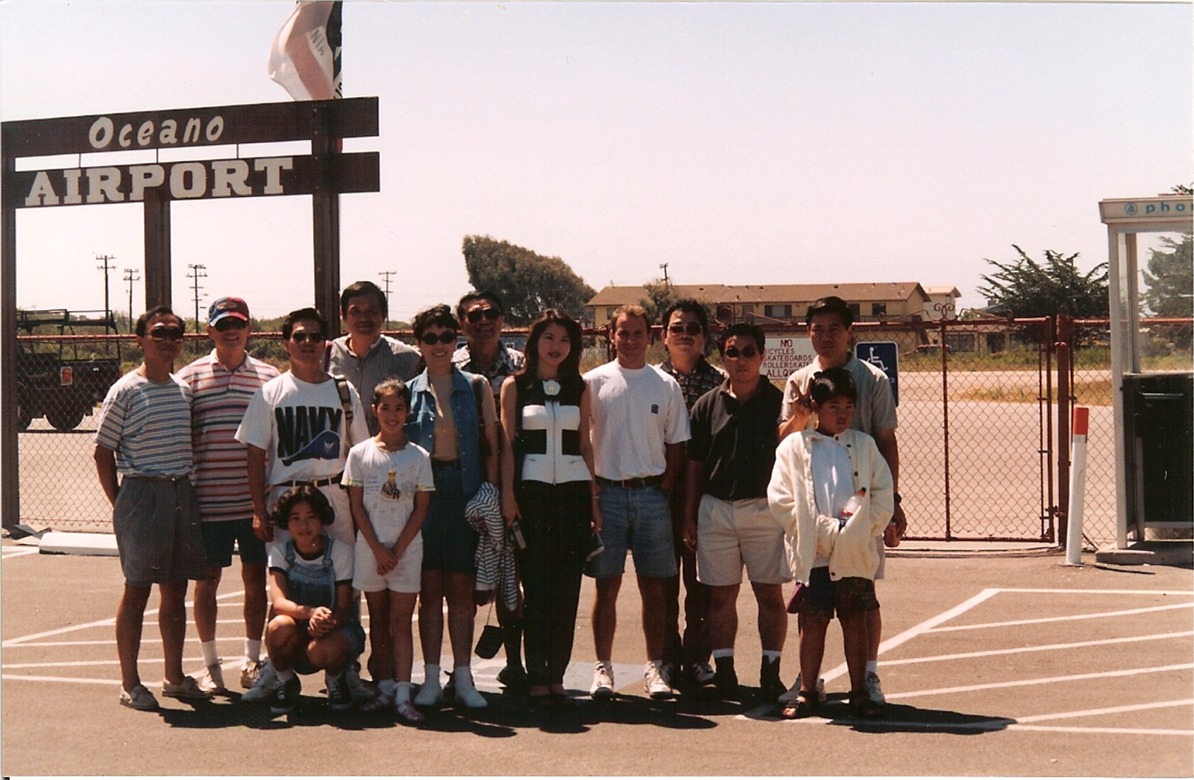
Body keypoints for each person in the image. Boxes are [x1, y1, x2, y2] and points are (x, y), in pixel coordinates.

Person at [776, 295, 907, 706]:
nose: (825, 336)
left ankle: (866, 676)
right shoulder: (799, 379)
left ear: (850, 332)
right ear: (808, 332)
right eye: (817, 328)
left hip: (859, 511)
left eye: (835, 328)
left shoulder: (873, 379)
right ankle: (808, 681)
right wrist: (800, 415)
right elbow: (786, 439)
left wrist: (892, 506)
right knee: (812, 608)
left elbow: (885, 440)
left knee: (862, 599)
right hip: (814, 518)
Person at [235, 306, 369, 703]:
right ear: (286, 342)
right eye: (300, 336)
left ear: (326, 343)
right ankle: (277, 673)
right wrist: (260, 510)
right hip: (287, 498)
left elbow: (360, 454)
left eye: (315, 336)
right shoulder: (271, 392)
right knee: (282, 581)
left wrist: (361, 512)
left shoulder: (343, 391)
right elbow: (254, 455)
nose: (308, 343)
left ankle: (345, 672)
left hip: (334, 494)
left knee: (347, 583)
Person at [93, 305, 209, 710]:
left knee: (175, 590)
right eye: (158, 333)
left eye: (175, 334)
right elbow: (103, 452)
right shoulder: (124, 390)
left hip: (181, 493)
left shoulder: (183, 390)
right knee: (137, 589)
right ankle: (130, 683)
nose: (167, 341)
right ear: (140, 340)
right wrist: (123, 503)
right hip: (142, 495)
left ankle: (173, 676)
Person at [768, 367, 893, 719]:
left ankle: (858, 692)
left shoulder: (864, 446)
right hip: (813, 553)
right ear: (817, 406)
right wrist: (818, 531)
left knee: (855, 620)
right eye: (834, 405)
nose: (843, 413)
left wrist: (862, 528)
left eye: (849, 406)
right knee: (813, 621)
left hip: (854, 551)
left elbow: (879, 494)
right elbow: (781, 499)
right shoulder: (795, 447)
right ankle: (808, 690)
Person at [584, 304, 690, 701]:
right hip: (606, 495)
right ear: (611, 336)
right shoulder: (593, 382)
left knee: (655, 590)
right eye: (622, 333)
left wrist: (663, 488)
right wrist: (593, 494)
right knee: (606, 588)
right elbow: (582, 441)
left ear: (651, 336)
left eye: (637, 333)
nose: (629, 340)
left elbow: (677, 443)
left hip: (651, 498)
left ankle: (654, 668)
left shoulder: (665, 385)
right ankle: (603, 669)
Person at [176, 297, 280, 695]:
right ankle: (210, 666)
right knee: (207, 583)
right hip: (208, 502)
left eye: (238, 324)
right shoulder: (189, 377)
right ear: (210, 332)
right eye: (223, 325)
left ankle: (252, 661)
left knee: (256, 581)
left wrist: (264, 504)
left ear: (249, 329)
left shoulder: (270, 378)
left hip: (256, 504)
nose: (231, 331)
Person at [682, 322, 789, 702]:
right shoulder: (706, 404)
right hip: (716, 511)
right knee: (720, 598)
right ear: (722, 357)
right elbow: (694, 466)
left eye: (748, 352)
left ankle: (770, 671)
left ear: (761, 356)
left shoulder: (780, 404)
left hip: (764, 510)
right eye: (732, 351)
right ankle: (725, 672)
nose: (741, 359)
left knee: (769, 596)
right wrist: (690, 515)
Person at [499, 310, 601, 706]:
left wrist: (594, 498)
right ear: (535, 341)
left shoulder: (580, 386)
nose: (556, 346)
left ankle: (557, 674)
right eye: (549, 337)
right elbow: (508, 443)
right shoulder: (516, 385)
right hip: (532, 495)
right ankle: (536, 672)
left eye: (564, 340)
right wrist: (509, 494)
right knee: (537, 589)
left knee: (567, 589)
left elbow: (586, 443)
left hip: (573, 497)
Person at [406, 304, 500, 710]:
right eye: (431, 338)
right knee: (430, 591)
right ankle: (429, 678)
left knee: (461, 590)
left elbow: (493, 447)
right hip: (424, 494)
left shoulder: (477, 386)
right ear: (419, 344)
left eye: (447, 336)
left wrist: (492, 494)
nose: (440, 344)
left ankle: (463, 678)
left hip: (465, 490)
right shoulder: (406, 393)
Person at [343, 379, 434, 722]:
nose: (392, 415)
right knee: (378, 620)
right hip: (371, 549)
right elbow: (356, 506)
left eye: (399, 408)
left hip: (407, 550)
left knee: (401, 621)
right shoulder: (359, 454)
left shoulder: (419, 456)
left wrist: (396, 549)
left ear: (408, 411)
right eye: (385, 408)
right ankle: (383, 687)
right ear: (374, 410)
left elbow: (421, 509)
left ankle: (402, 692)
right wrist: (378, 550)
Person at [453, 289, 528, 689]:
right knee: (465, 577)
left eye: (491, 313)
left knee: (510, 576)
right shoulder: (451, 366)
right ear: (462, 322)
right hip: (466, 482)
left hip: (516, 481)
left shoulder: (522, 365)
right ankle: (461, 669)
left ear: (502, 318)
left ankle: (516, 662)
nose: (483, 321)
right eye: (474, 315)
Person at [656, 299, 724, 693]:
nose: (685, 334)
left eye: (693, 328)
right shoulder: (649, 381)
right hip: (659, 492)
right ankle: (665, 659)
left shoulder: (719, 383)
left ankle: (698, 659)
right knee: (662, 581)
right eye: (677, 328)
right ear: (664, 336)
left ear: (704, 337)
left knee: (702, 584)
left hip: (704, 494)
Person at [264, 486, 366, 716]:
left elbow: (344, 608)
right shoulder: (280, 553)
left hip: (333, 629)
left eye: (311, 517)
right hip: (298, 630)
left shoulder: (340, 553)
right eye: (296, 518)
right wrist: (310, 613)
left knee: (323, 650)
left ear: (322, 519)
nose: (304, 526)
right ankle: (285, 680)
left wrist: (325, 621)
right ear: (286, 522)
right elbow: (279, 603)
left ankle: (335, 680)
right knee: (278, 626)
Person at [326, 280, 421, 436]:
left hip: (387, 454)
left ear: (384, 315)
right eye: (355, 312)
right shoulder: (326, 355)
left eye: (371, 311)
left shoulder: (407, 359)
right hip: (337, 456)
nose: (364, 318)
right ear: (343, 315)